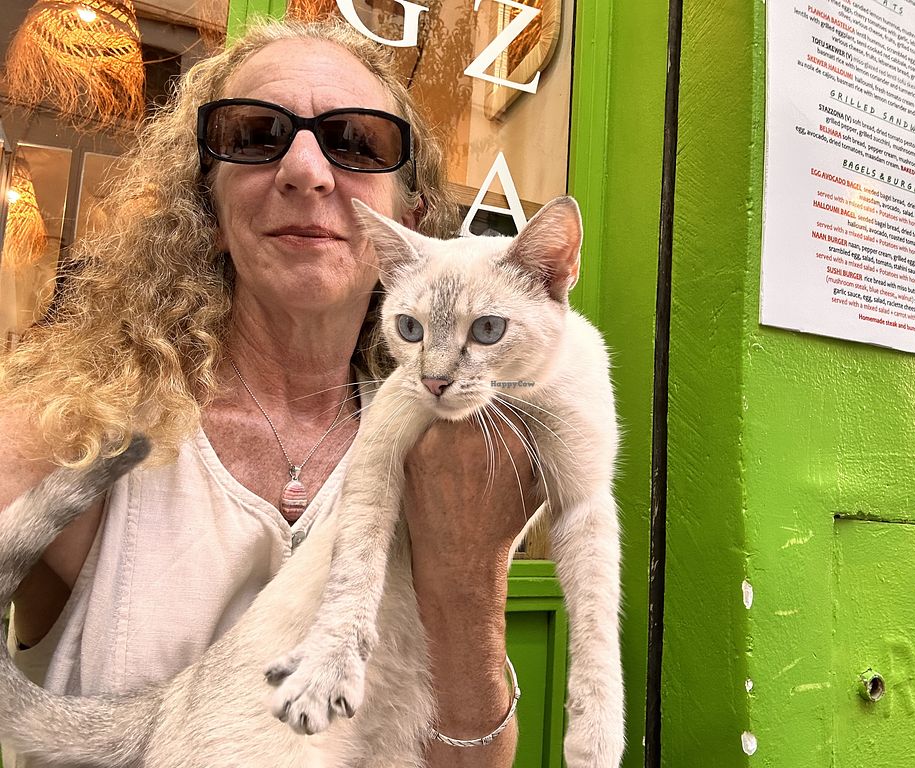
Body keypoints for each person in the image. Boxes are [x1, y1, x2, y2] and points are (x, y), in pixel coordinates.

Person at [0, 17, 536, 767]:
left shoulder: (440, 449)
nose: (306, 170)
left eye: (356, 143)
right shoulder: (80, 422)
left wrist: (467, 580)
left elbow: (473, 758)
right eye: (256, 136)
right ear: (211, 213)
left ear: (408, 228)